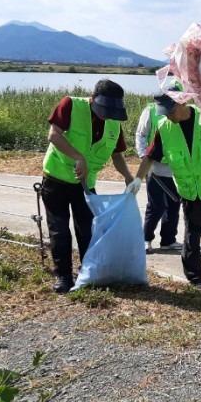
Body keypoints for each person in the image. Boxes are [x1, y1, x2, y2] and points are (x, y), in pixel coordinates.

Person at [128, 86, 201, 291]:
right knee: (192, 234)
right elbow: (150, 156)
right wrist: (138, 179)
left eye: (170, 110)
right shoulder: (165, 128)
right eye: (164, 111)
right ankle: (195, 278)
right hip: (191, 190)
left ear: (182, 102)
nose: (167, 115)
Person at [42, 79, 134, 293]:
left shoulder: (113, 122)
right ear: (93, 99)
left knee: (88, 231)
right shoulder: (70, 105)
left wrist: (128, 176)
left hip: (86, 186)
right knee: (60, 232)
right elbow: (54, 135)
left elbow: (117, 155)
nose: (105, 115)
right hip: (56, 180)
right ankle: (63, 276)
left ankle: (88, 273)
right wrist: (78, 157)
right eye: (103, 110)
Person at [135, 95, 183, 254]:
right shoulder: (150, 111)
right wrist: (143, 157)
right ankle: (145, 239)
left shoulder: (182, 112)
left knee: (174, 205)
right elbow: (141, 135)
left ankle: (168, 240)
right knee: (156, 206)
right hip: (154, 167)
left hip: (175, 168)